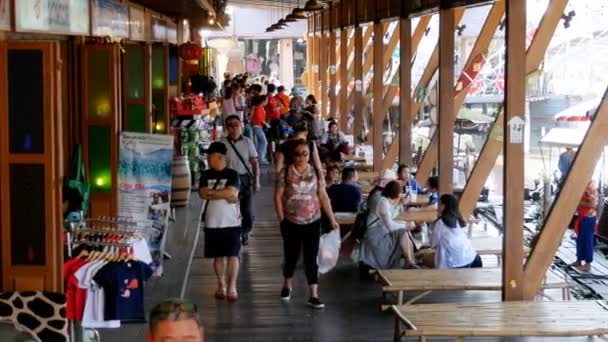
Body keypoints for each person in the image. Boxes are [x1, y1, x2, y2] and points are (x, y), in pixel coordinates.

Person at [274, 140, 340, 309]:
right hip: (291, 221)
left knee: (312, 258)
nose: (302, 157)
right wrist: (282, 218)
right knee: (291, 256)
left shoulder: (317, 173)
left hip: (313, 220)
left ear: (310, 156)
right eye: (298, 153)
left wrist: (332, 219)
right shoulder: (285, 173)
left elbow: (323, 196)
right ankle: (287, 284)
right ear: (292, 155)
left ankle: (313, 294)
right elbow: (278, 196)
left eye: (305, 153)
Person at [198, 142, 242, 301]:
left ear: (220, 157)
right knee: (218, 257)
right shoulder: (205, 174)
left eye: (210, 156)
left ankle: (232, 287)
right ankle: (221, 284)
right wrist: (223, 194)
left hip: (232, 221)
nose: (208, 159)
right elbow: (202, 194)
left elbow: (231, 192)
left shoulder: (232, 174)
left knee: (233, 255)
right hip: (212, 221)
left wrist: (213, 193)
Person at [359, 180, 418, 269]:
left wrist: (399, 204)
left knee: (404, 233)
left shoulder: (384, 200)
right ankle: (409, 261)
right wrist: (406, 225)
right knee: (403, 232)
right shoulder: (382, 202)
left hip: (380, 230)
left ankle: (410, 261)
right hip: (375, 234)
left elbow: (391, 216)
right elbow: (390, 226)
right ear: (397, 194)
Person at [221, 115, 260, 246]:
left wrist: (257, 180)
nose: (234, 128)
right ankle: (235, 236)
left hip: (245, 179)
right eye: (230, 125)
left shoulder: (248, 141)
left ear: (241, 126)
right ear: (226, 128)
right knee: (231, 211)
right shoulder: (222, 143)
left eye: (236, 124)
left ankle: (245, 231)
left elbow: (254, 162)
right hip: (229, 181)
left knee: (247, 212)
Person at [431, 194, 481, 269]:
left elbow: (433, 244)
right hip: (473, 259)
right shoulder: (460, 219)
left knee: (425, 258)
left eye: (440, 203)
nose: (438, 206)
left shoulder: (441, 223)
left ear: (444, 206)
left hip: (454, 265)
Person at [571, 180, 599, 272]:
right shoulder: (582, 184)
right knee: (579, 240)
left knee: (587, 241)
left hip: (589, 217)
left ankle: (588, 264)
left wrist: (578, 202)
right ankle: (579, 260)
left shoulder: (591, 186)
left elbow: (593, 204)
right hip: (582, 216)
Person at [250, 95, 269, 165]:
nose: (267, 102)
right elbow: (259, 118)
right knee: (264, 142)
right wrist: (266, 124)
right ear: (263, 101)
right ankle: (261, 158)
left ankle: (259, 157)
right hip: (257, 126)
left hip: (258, 126)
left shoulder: (260, 107)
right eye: (266, 100)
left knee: (260, 142)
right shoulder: (259, 108)